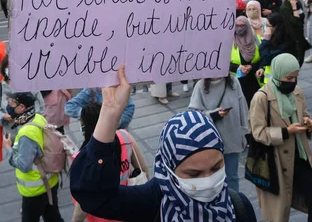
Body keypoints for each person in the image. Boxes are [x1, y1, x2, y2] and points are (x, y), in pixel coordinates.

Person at [70, 67, 257, 222]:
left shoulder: (239, 206)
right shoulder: (152, 202)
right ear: (170, 169)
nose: (208, 181)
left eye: (216, 167)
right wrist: (109, 113)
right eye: (194, 174)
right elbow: (93, 196)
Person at [249, 54, 312, 221]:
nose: (292, 81)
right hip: (276, 162)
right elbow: (258, 132)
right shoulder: (261, 97)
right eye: (289, 77)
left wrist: (308, 123)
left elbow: (303, 115)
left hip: (301, 157)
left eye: (295, 77)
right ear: (278, 73)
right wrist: (285, 132)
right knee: (278, 215)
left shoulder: (297, 92)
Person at [72, 101, 149, 222]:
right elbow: (143, 168)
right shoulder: (124, 136)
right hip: (130, 207)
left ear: (84, 126)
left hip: (103, 215)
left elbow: (84, 202)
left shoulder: (83, 158)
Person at [3, 92, 64, 222]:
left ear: (22, 107)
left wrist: (8, 148)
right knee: (53, 217)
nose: (8, 106)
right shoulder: (37, 117)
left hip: (36, 189)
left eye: (11, 103)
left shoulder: (26, 133)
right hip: (50, 180)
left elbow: (24, 165)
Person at [189, 75, 248, 193]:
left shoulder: (233, 82)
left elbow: (243, 108)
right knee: (213, 178)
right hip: (211, 140)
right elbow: (193, 114)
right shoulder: (200, 85)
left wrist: (245, 131)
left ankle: (233, 203)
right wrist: (214, 114)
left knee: (232, 176)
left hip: (232, 136)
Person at [0, 54, 46, 135]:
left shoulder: (30, 83)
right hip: (12, 133)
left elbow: (40, 104)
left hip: (31, 130)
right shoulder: (0, 87)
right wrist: (3, 116)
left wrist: (29, 117)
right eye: (8, 67)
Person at [256, 13, 298, 86]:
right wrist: (262, 67)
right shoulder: (273, 37)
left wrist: (266, 40)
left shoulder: (287, 41)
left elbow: (266, 58)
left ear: (276, 27)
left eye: (268, 26)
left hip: (283, 80)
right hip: (270, 80)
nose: (266, 28)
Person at [228, 16, 262, 106]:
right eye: (237, 26)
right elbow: (225, 63)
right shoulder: (230, 42)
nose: (239, 28)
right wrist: (239, 67)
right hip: (238, 81)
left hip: (255, 80)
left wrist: (252, 67)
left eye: (242, 25)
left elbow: (263, 59)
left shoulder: (256, 40)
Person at [66, 87, 134, 129]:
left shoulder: (120, 90)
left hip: (117, 134)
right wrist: (89, 114)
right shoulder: (92, 90)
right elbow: (69, 107)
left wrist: (111, 122)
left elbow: (129, 110)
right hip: (94, 134)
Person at [279, 0, 311, 66]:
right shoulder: (284, 8)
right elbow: (295, 21)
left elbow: (302, 16)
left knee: (301, 58)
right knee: (296, 60)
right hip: (292, 37)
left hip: (300, 34)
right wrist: (294, 8)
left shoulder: (298, 3)